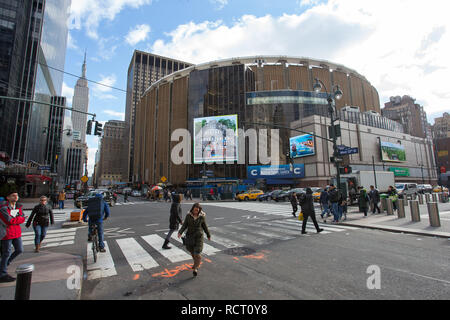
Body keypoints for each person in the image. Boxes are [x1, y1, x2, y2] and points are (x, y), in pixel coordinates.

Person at [178, 203, 211, 277]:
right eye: (195, 209)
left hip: (199, 237)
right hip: (190, 236)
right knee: (192, 252)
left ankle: (195, 268)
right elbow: (184, 225)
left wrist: (208, 235)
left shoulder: (202, 217)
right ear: (192, 209)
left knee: (197, 253)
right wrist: (180, 232)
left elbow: (205, 227)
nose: (197, 210)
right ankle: (195, 263)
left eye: (198, 209)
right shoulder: (188, 216)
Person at [0, 191, 25, 283]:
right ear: (8, 197)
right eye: (13, 195)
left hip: (16, 232)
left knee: (20, 250)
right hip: (7, 233)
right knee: (6, 253)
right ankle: (2, 274)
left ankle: (4, 265)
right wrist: (19, 219)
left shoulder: (18, 206)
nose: (16, 197)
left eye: (17, 195)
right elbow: (9, 221)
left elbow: (22, 218)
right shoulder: (3, 208)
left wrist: (17, 219)